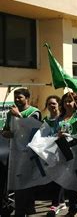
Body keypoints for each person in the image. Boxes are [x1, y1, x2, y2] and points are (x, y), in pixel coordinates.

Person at [1, 88, 41, 216]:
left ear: (27, 98)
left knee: (26, 184)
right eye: (15, 97)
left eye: (20, 97)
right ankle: (26, 209)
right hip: (15, 154)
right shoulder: (9, 114)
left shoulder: (34, 112)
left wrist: (18, 115)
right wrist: (7, 133)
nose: (17, 100)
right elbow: (5, 131)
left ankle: (22, 210)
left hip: (29, 154)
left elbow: (34, 130)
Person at [42, 95, 66, 216]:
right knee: (54, 177)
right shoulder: (45, 120)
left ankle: (55, 203)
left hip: (61, 152)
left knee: (59, 176)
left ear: (58, 105)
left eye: (54, 103)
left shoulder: (62, 120)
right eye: (49, 104)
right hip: (49, 153)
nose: (51, 106)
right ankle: (60, 201)